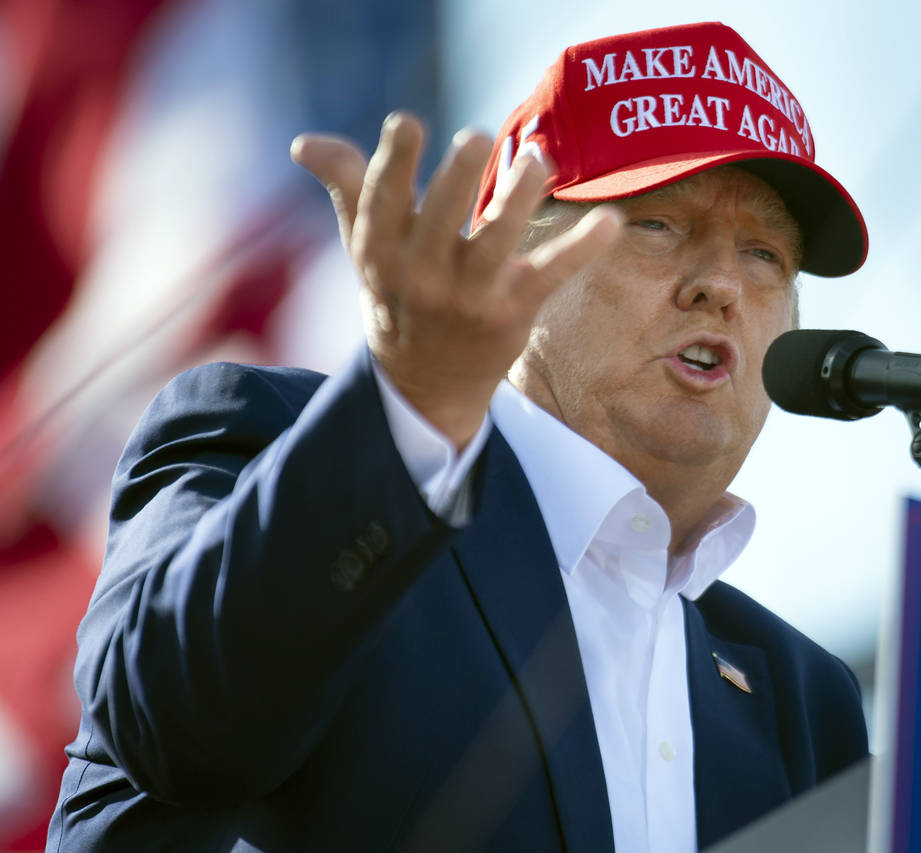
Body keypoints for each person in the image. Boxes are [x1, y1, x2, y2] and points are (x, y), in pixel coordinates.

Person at [48, 21, 870, 853]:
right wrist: (409, 411)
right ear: (509, 258)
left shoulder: (809, 702)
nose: (721, 284)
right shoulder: (279, 442)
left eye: (765, 254)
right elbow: (175, 727)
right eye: (658, 224)